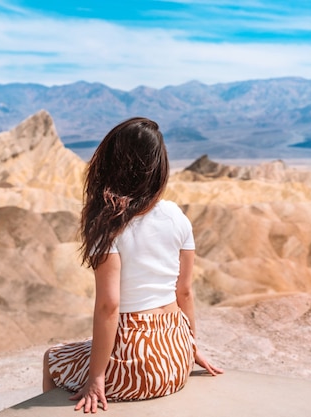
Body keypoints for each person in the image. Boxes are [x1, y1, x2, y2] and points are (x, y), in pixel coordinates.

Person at [42, 117, 223, 413]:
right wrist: (191, 348)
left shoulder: (110, 223)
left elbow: (109, 307)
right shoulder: (177, 215)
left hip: (136, 365)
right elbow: (185, 292)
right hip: (176, 356)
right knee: (86, 348)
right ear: (159, 167)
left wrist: (96, 377)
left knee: (53, 358)